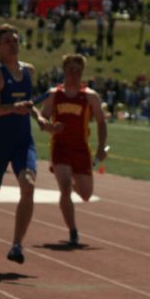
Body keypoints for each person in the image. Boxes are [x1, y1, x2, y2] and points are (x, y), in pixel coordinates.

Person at [0, 23, 50, 264]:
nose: (13, 43)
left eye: (16, 39)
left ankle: (17, 245)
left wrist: (39, 118)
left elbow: (28, 103)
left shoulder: (29, 71)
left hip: (23, 141)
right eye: (7, 40)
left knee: (28, 185)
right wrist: (11, 108)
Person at [37, 54, 108, 246]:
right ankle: (73, 231)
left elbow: (101, 123)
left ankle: (70, 179)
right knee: (65, 188)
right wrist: (51, 127)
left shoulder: (90, 96)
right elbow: (41, 119)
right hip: (60, 148)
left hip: (81, 149)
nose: (74, 74)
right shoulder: (54, 94)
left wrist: (101, 148)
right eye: (70, 70)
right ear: (64, 70)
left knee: (85, 194)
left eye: (78, 70)